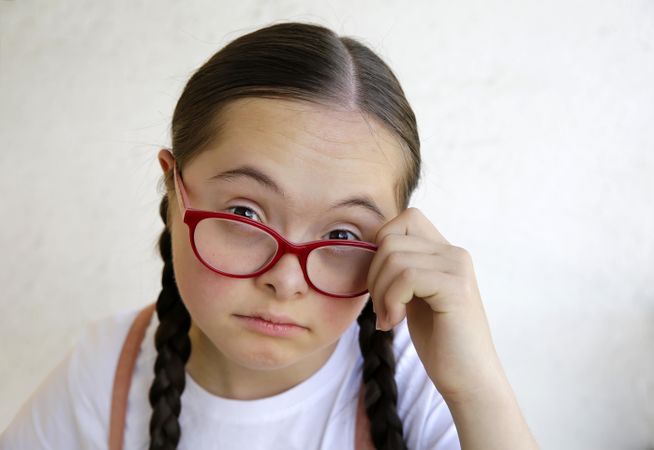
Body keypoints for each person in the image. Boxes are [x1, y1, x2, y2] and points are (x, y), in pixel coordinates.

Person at [0, 21, 539, 450]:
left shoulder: (424, 386)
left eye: (343, 232)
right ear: (172, 187)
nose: (285, 281)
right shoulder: (107, 370)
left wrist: (477, 389)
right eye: (245, 213)